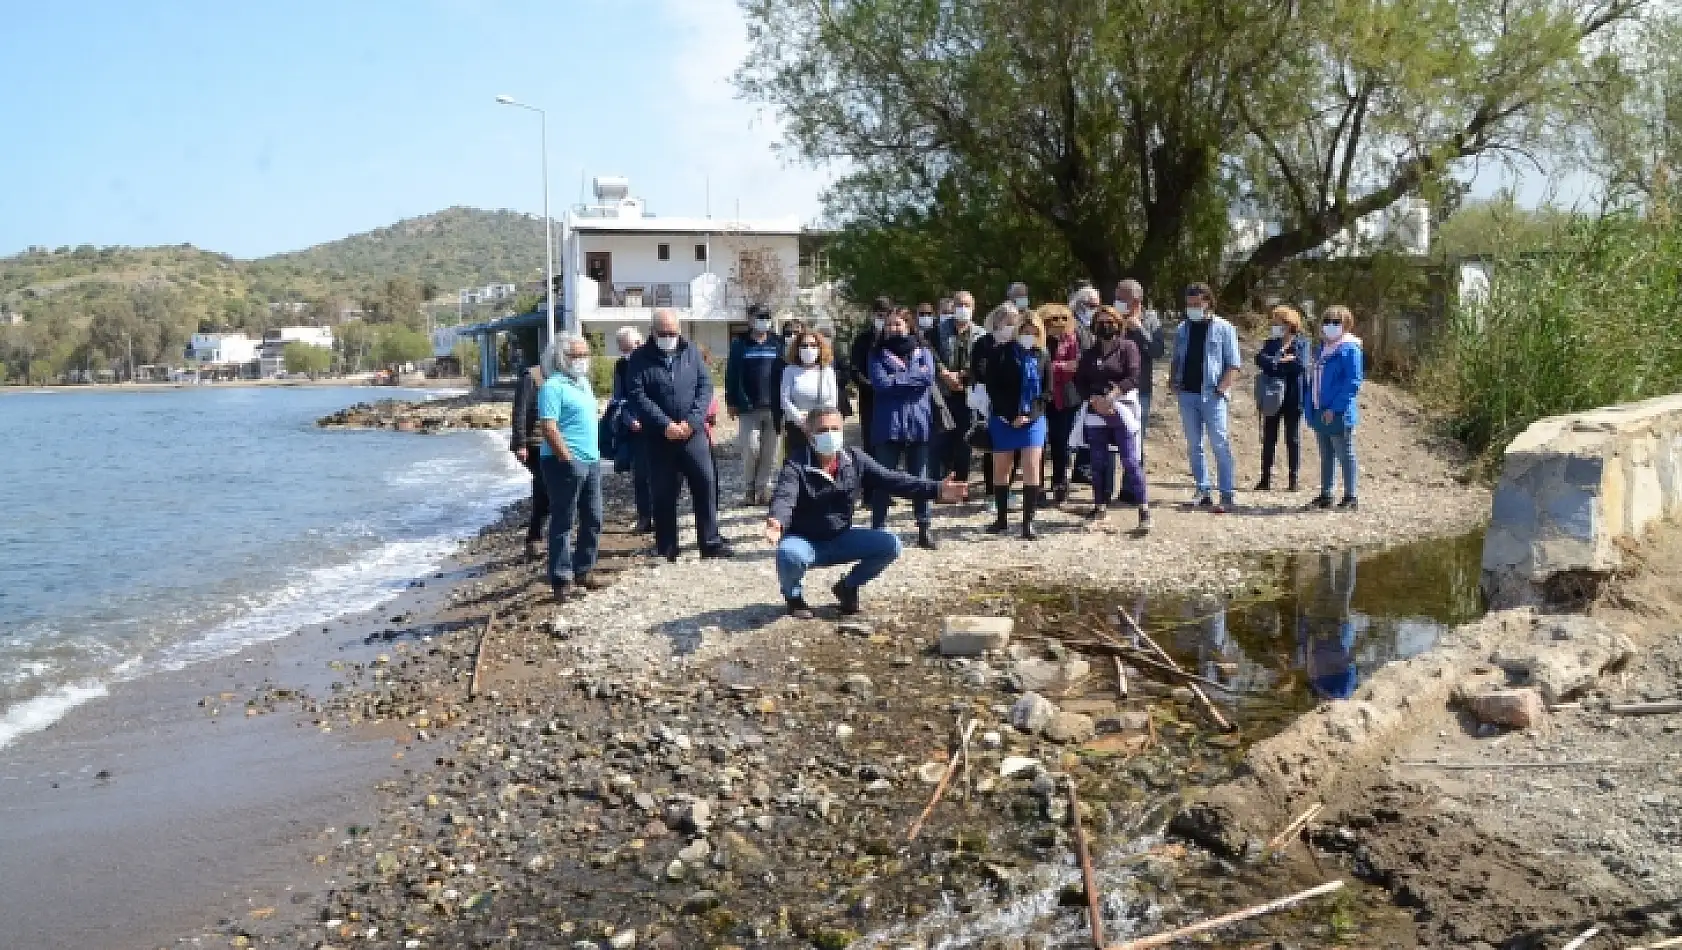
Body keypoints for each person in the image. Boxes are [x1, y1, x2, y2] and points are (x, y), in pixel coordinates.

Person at [765, 408, 967, 618]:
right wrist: (777, 521)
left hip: (840, 537)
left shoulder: (854, 460)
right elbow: (784, 496)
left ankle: (848, 587)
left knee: (889, 544)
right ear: (809, 433)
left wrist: (937, 489)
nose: (830, 434)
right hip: (805, 540)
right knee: (788, 554)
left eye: (835, 429)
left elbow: (894, 480)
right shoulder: (795, 464)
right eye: (823, 430)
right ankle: (794, 598)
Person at [624, 309, 734, 561]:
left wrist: (692, 422)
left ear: (679, 330)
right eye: (663, 333)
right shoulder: (639, 358)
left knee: (705, 486)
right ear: (653, 331)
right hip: (659, 438)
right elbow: (637, 395)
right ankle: (667, 547)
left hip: (692, 435)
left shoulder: (692, 352)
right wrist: (665, 425)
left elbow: (705, 388)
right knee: (663, 492)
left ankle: (710, 542)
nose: (668, 336)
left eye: (672, 332)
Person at [536, 334, 606, 600]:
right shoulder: (552, 386)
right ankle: (561, 579)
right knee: (563, 520)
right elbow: (548, 426)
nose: (583, 360)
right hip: (563, 462)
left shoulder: (583, 383)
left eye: (585, 354)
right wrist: (566, 458)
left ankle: (584, 569)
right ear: (562, 358)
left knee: (594, 517)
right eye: (577, 355)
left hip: (591, 460)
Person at [867, 309, 940, 549]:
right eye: (889, 325)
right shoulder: (877, 354)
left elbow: (928, 379)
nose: (893, 328)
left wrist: (897, 378)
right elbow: (881, 384)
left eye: (898, 324)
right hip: (888, 424)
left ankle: (924, 528)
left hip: (918, 423)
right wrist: (911, 377)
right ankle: (877, 529)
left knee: (920, 477)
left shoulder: (924, 351)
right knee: (882, 477)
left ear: (909, 325)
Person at [1077, 306, 1151, 531]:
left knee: (1130, 459)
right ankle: (1099, 506)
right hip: (1095, 408)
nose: (1105, 326)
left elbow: (1134, 375)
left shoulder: (1128, 347)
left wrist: (1112, 397)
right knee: (1098, 461)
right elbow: (1079, 382)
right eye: (1100, 322)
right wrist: (1093, 400)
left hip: (1122, 406)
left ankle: (1144, 509)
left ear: (1118, 324)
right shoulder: (1089, 353)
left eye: (1110, 321)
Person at [1170, 282, 1241, 512]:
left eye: (1197, 304)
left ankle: (1227, 494)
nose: (1192, 308)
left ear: (1208, 302)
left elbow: (1233, 363)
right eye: (1189, 304)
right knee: (1194, 445)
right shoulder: (1182, 329)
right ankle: (1203, 489)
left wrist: (1221, 390)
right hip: (1187, 395)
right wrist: (1173, 380)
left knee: (1220, 444)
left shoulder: (1224, 328)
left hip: (1213, 395)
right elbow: (1176, 358)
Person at [984, 307, 1050, 538]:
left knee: (1032, 466)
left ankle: (1027, 522)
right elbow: (993, 387)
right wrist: (1010, 414)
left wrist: (1029, 415)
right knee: (1002, 468)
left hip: (1033, 419)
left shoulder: (1042, 355)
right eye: (1025, 330)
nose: (1029, 335)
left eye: (1034, 332)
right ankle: (1001, 518)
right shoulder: (1000, 353)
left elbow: (1047, 392)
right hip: (1004, 418)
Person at [1305, 305, 1364, 510]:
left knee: (1345, 453)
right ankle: (1326, 494)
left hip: (1338, 412)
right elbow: (1313, 380)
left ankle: (1350, 497)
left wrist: (1335, 408)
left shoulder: (1350, 349)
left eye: (1336, 322)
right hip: (1319, 409)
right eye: (1327, 321)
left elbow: (1352, 382)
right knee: (1326, 454)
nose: (1330, 326)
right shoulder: (1321, 348)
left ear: (1346, 325)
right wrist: (1310, 408)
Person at [724, 304, 785, 506]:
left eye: (767, 316)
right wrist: (731, 400)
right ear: (750, 319)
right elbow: (732, 373)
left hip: (774, 406)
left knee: (770, 450)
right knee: (750, 448)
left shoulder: (777, 342)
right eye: (759, 317)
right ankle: (749, 488)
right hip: (748, 406)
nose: (763, 320)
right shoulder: (740, 344)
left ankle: (763, 489)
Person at [1255, 304, 1310, 492]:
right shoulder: (1271, 342)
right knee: (1269, 437)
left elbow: (1300, 365)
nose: (1274, 325)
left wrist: (1275, 363)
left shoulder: (1301, 343)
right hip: (1272, 396)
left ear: (1289, 324)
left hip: (1294, 396)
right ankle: (1265, 478)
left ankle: (1293, 479)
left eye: (1278, 322)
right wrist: (1279, 361)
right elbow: (1260, 360)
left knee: (1292, 438)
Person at [1040, 303, 1087, 505]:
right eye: (1053, 320)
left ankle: (1060, 483)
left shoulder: (1074, 338)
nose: (1059, 323)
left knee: (1061, 443)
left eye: (1063, 319)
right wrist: (1060, 367)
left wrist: (1055, 367)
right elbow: (1039, 366)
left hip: (1066, 398)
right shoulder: (1038, 339)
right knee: (1038, 444)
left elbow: (1077, 365)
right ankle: (1037, 486)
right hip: (1041, 397)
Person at [934, 292, 980, 485]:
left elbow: (981, 362)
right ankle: (941, 485)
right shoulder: (938, 330)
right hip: (943, 394)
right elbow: (931, 354)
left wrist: (962, 376)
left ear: (973, 308)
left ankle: (961, 483)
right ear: (953, 307)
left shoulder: (981, 333)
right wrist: (944, 373)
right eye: (959, 304)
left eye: (967, 305)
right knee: (942, 440)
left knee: (964, 441)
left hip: (968, 394)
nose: (963, 308)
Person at [611, 327, 653, 533]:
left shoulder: (653, 360)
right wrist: (629, 420)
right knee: (641, 475)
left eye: (636, 344)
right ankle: (645, 518)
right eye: (627, 347)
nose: (633, 349)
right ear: (621, 349)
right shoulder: (620, 367)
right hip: (635, 428)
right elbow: (618, 399)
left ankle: (663, 516)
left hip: (659, 424)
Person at [509, 358, 549, 559]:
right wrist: (520, 443)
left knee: (547, 489)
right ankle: (534, 539)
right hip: (534, 444)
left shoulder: (562, 376)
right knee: (544, 488)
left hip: (553, 443)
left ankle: (537, 537)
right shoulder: (531, 377)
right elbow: (520, 411)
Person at [779, 329, 839, 463]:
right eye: (804, 345)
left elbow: (832, 401)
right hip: (796, 428)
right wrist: (802, 420)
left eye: (813, 345)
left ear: (820, 348)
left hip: (822, 428)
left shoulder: (827, 371)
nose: (808, 349)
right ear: (797, 348)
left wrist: (816, 421)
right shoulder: (789, 370)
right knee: (797, 464)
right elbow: (784, 400)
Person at [1115, 280, 1164, 440]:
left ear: (1135, 302)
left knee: (1136, 440)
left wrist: (1139, 330)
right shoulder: (1111, 317)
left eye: (1122, 299)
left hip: (1140, 390)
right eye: (1117, 298)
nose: (1117, 303)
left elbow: (1158, 351)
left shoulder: (1150, 319)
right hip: (1113, 389)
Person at [849, 297, 890, 449]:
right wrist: (869, 385)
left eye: (886, 315)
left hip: (890, 397)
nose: (883, 319)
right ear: (873, 315)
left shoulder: (894, 338)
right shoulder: (862, 339)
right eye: (880, 315)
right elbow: (855, 369)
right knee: (870, 441)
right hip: (868, 398)